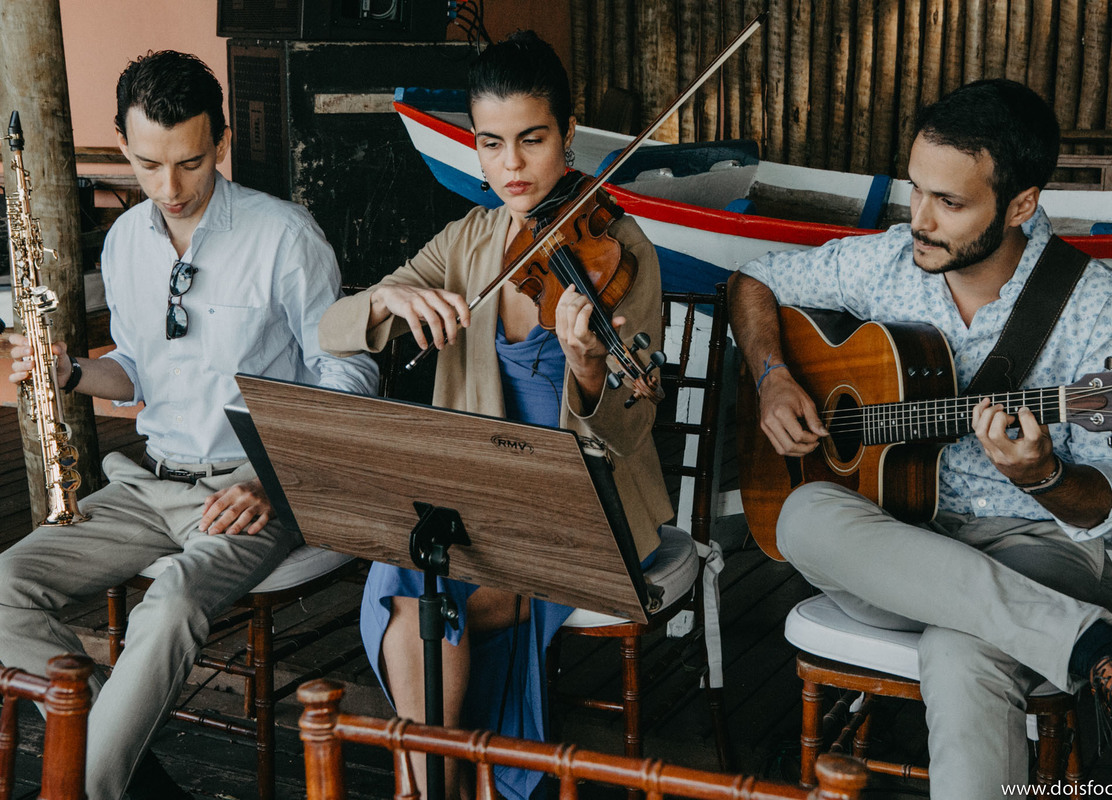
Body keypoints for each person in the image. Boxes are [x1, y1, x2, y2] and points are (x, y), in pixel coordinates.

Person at [729, 78, 1112, 798]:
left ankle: (1078, 643)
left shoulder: (1098, 307)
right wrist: (771, 376)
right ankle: (1100, 650)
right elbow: (752, 280)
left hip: (1036, 549)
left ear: (1020, 204)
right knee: (800, 515)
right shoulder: (885, 260)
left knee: (959, 650)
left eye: (949, 203)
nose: (919, 218)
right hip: (890, 543)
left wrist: (1040, 474)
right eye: (915, 190)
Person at [0, 50, 378, 800]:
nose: (169, 188)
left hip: (255, 491)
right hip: (148, 484)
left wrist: (267, 475)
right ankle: (131, 764)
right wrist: (72, 370)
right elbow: (135, 374)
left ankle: (87, 787)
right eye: (147, 164)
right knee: (5, 583)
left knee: (171, 600)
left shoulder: (284, 235)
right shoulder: (123, 241)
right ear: (124, 143)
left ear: (223, 141)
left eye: (191, 162)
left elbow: (350, 376)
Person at [318, 30, 671, 800]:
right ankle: (434, 782)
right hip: (481, 504)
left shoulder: (622, 248)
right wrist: (389, 297)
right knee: (415, 575)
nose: (511, 166)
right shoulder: (470, 241)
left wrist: (586, 369)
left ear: (569, 135)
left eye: (532, 139)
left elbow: (631, 426)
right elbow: (336, 324)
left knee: (419, 593)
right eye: (491, 143)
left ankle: (423, 784)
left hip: (586, 516)